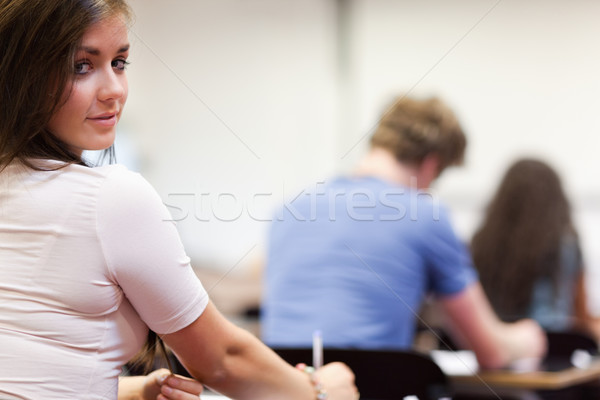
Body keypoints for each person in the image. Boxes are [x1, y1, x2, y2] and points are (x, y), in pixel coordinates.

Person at [0, 1, 358, 399]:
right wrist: (320, 392)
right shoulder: (111, 197)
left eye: (119, 63)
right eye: (82, 66)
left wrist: (134, 391)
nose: (114, 90)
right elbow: (221, 360)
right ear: (22, 72)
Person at [261, 96, 547, 369]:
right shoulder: (424, 215)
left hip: (281, 389)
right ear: (431, 163)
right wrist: (526, 339)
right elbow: (491, 352)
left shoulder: (288, 211)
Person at [471, 158, 600, 341]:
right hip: (555, 346)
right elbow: (581, 313)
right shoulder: (566, 243)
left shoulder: (481, 244)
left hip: (495, 343)